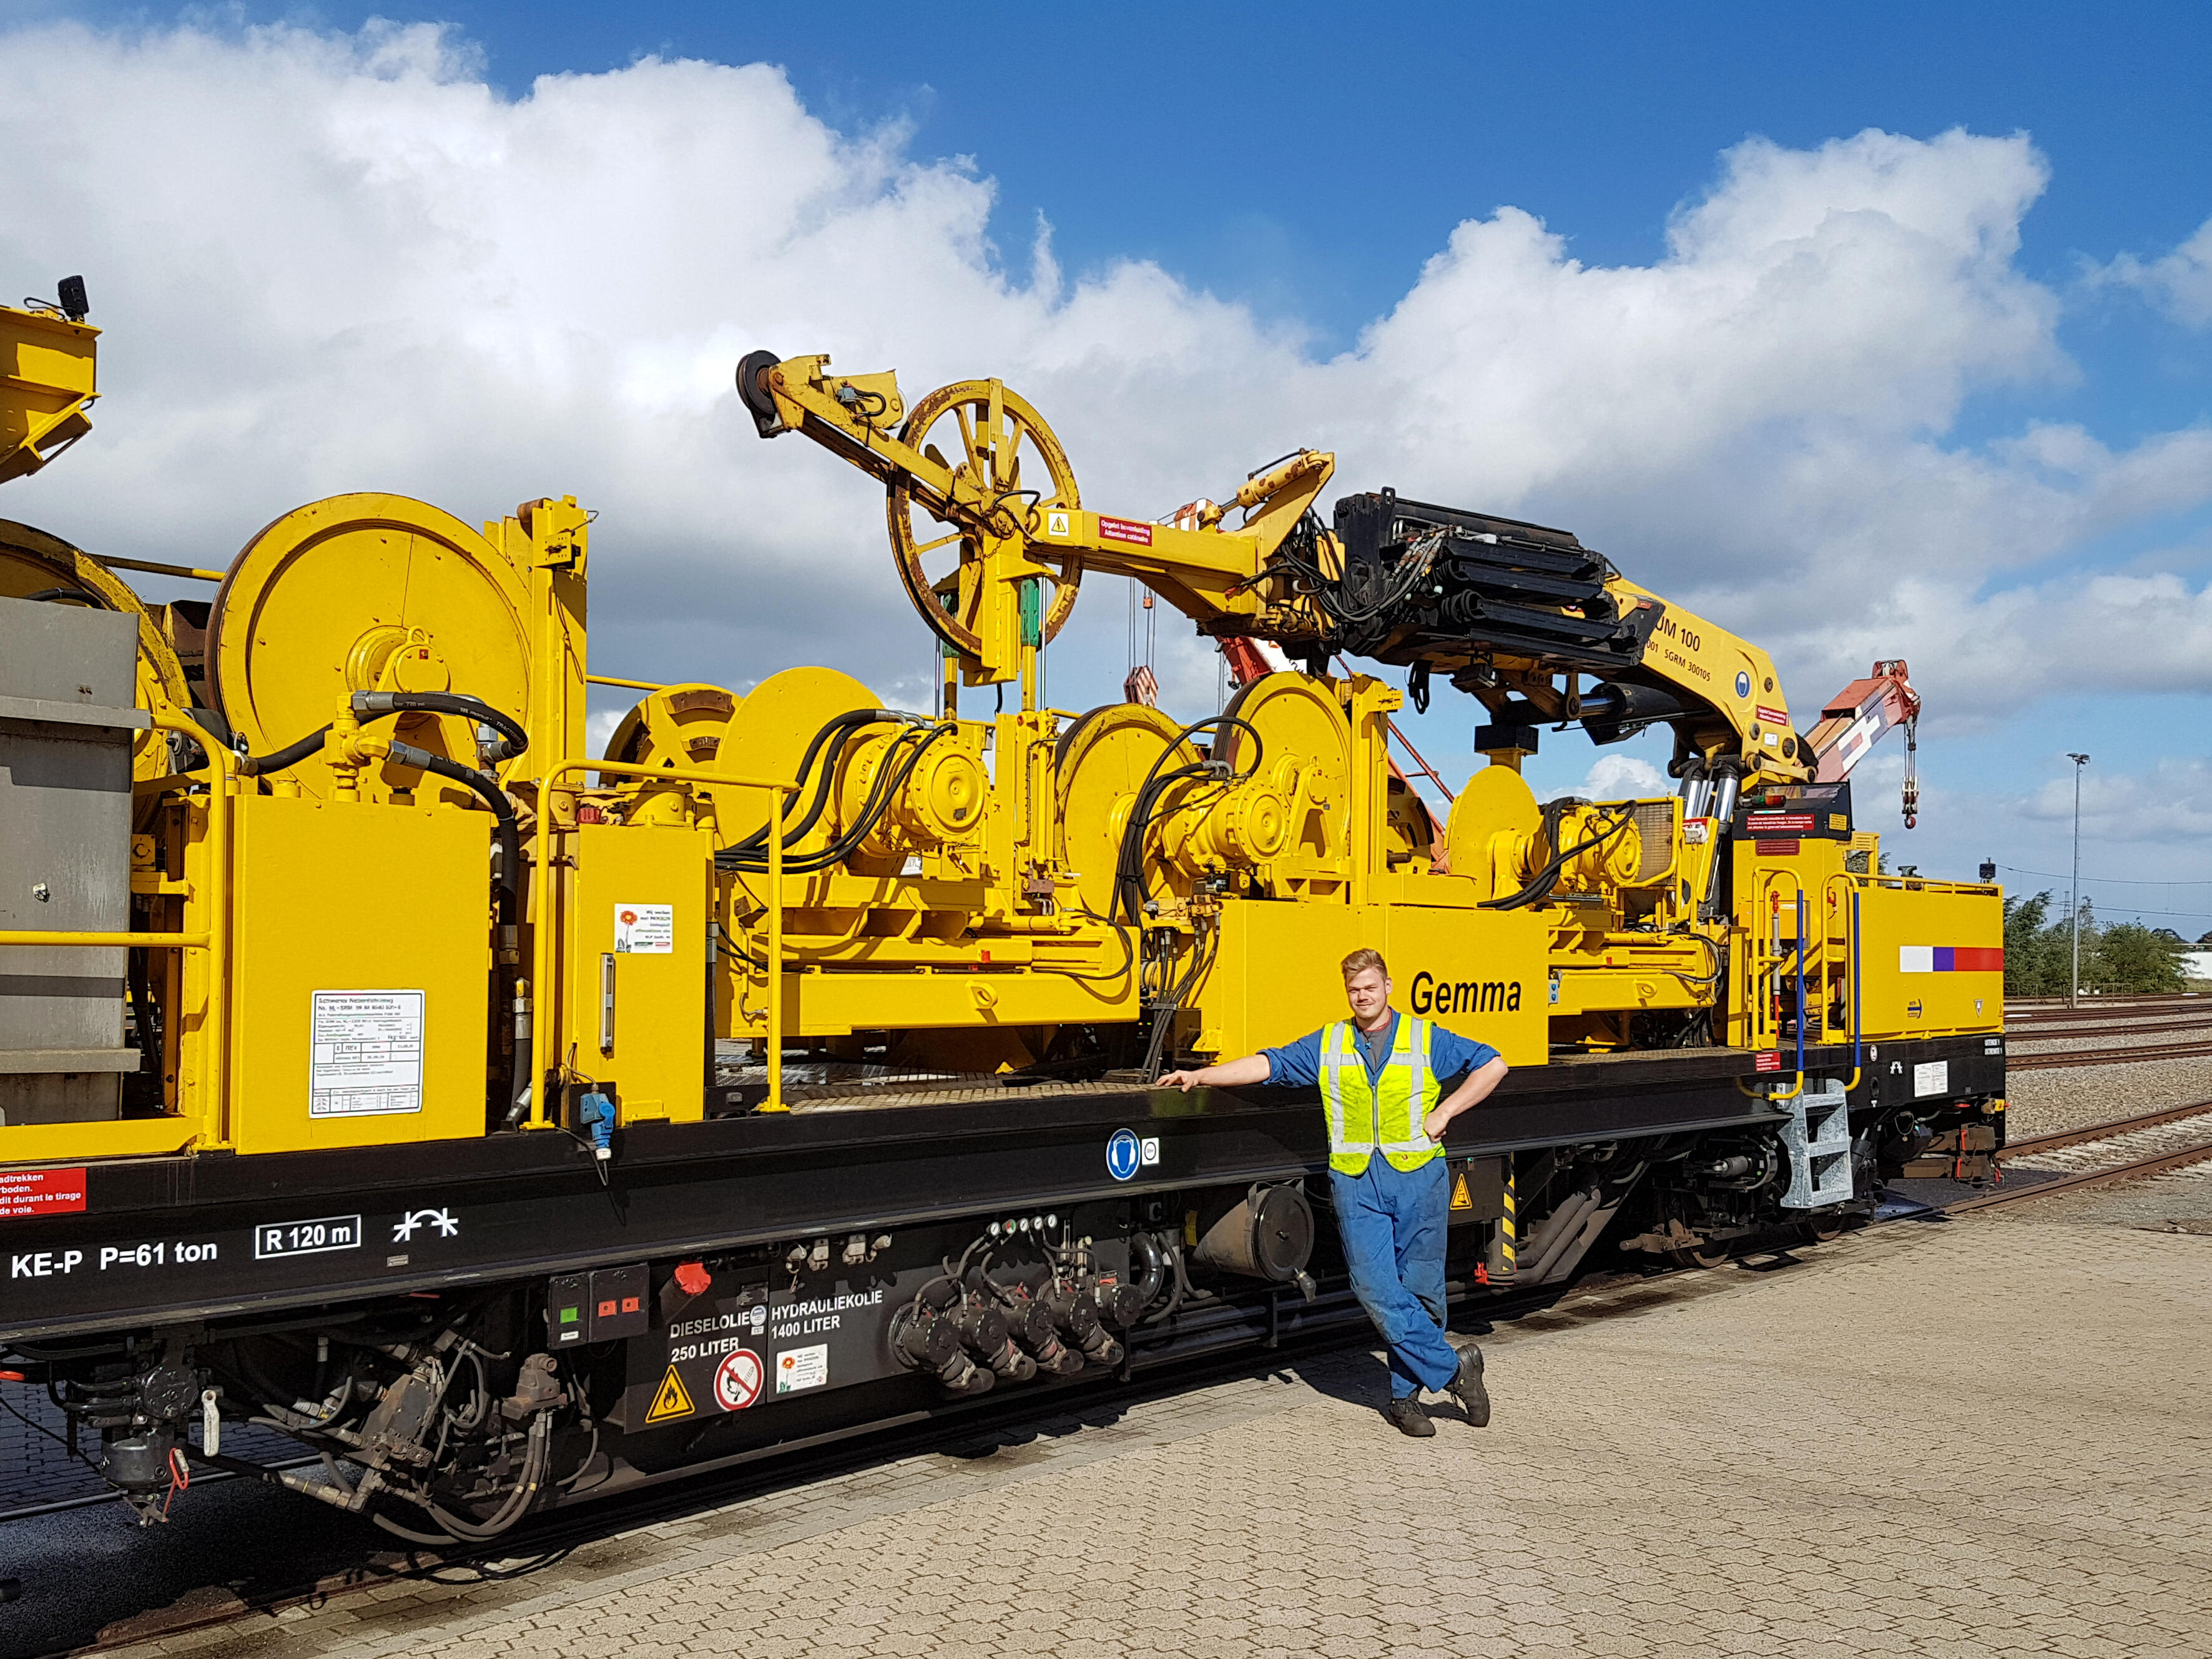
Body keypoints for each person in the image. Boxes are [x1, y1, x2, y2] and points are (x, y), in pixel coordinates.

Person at [1158, 947, 1509, 1437]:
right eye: (1354, 989)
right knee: (1374, 1288)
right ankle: (1455, 1369)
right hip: (1355, 1182)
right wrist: (1200, 1074)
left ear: (1389, 986)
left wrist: (1446, 1112)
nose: (1362, 996)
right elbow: (1268, 1064)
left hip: (1416, 1179)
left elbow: (1493, 1064)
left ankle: (1403, 1398)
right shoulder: (1330, 1042)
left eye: (1370, 986)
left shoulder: (1423, 1036)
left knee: (1422, 1291)